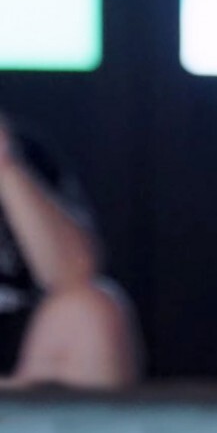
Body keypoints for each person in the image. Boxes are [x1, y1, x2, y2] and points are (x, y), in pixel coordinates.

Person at [0, 112, 145, 390]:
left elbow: (75, 272)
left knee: (92, 311)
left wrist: (6, 164)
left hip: (26, 387)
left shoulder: (27, 153)